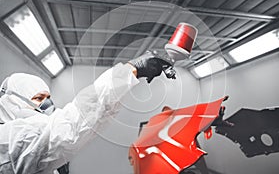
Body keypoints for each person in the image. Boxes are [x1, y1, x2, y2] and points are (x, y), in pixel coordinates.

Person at [0, 51, 173, 174]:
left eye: (48, 98)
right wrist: (131, 70)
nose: (47, 105)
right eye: (38, 99)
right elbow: (71, 126)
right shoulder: (9, 139)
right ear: (12, 102)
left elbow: (90, 122)